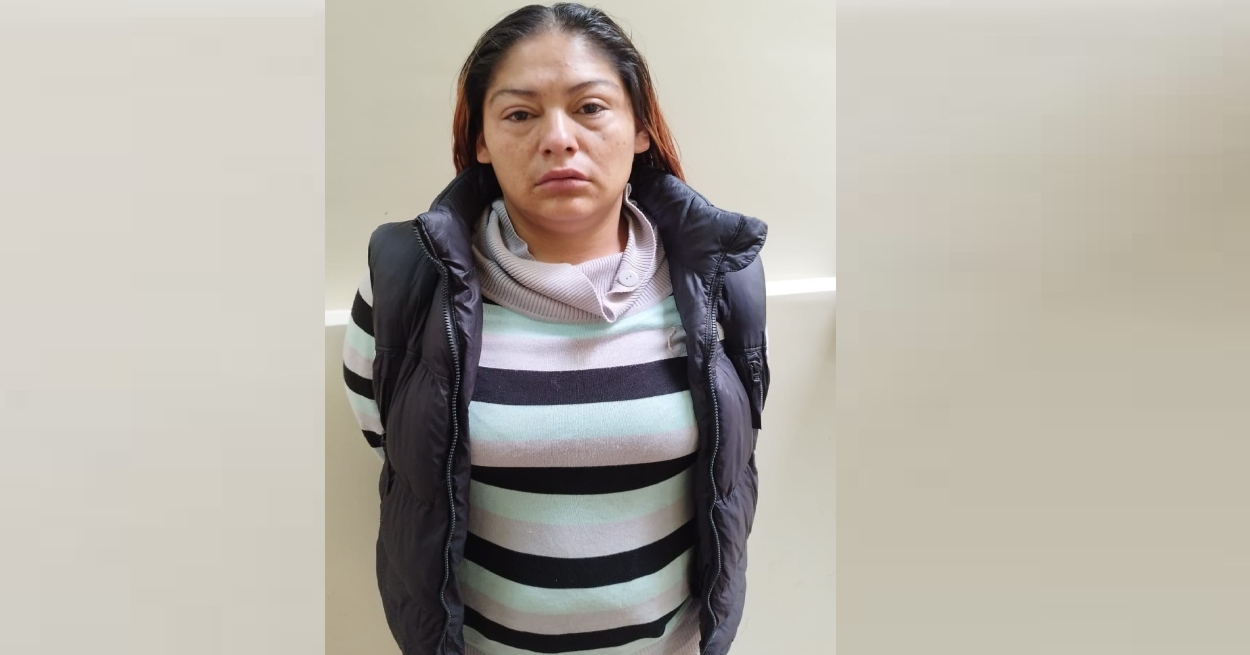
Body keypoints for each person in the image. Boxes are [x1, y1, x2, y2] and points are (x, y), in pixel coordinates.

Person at [341, 4, 769, 654]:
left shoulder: (717, 275)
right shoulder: (409, 278)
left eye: (590, 107)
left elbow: (729, 458)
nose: (558, 138)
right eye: (520, 114)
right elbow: (397, 447)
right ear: (481, 141)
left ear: (640, 127)